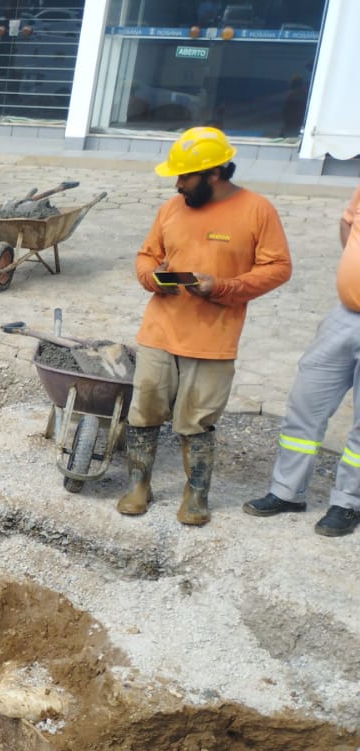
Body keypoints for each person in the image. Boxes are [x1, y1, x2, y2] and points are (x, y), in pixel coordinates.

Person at [119, 126, 292, 525]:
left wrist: (224, 287)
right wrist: (151, 277)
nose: (178, 185)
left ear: (214, 173)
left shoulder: (257, 210)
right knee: (143, 410)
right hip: (160, 332)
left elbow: (279, 268)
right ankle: (138, 486)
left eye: (185, 176)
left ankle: (196, 495)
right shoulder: (171, 209)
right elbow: (147, 256)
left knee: (196, 421)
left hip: (213, 339)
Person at [242, 183, 360, 537]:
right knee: (306, 403)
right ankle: (287, 492)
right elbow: (347, 224)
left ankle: (347, 503)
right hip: (346, 313)